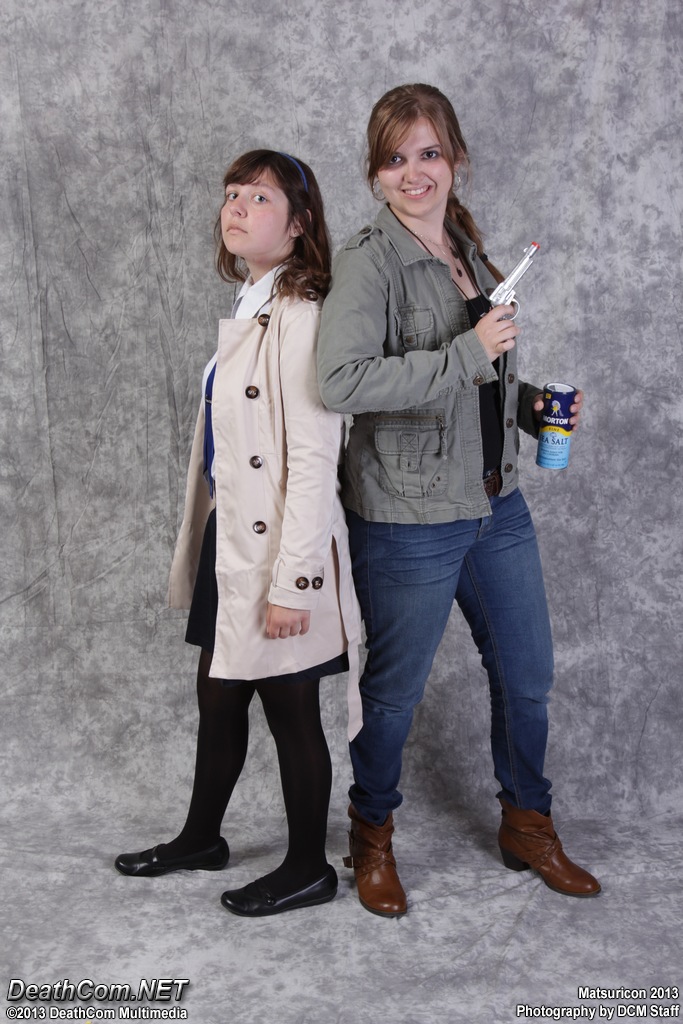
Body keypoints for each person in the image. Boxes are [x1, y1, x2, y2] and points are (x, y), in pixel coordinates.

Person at [316, 84, 601, 917]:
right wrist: (469, 354)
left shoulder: (468, 248)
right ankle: (370, 835)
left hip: (494, 505)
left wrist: (533, 405)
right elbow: (341, 382)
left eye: (429, 153)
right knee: (393, 696)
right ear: (375, 173)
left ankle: (526, 824)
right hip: (407, 517)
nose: (414, 172)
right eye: (394, 158)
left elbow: (478, 379)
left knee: (527, 676)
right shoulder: (368, 261)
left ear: (455, 159)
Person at [115, 149, 361, 918]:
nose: (236, 207)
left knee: (290, 708)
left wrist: (295, 584)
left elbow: (315, 458)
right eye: (231, 193)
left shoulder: (302, 312)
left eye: (258, 197)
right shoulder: (254, 299)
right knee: (218, 698)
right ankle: (200, 838)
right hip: (234, 539)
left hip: (279, 548)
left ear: (298, 225)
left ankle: (307, 868)